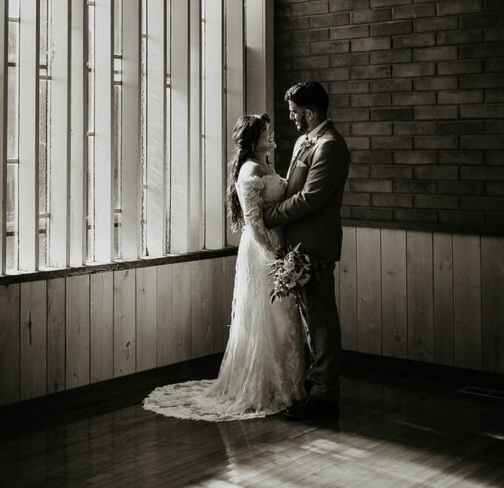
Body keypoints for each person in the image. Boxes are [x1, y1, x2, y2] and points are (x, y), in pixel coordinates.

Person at [143, 113, 305, 421]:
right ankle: (266, 387)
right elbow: (254, 221)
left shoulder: (265, 165)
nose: (270, 135)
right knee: (269, 316)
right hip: (262, 250)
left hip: (275, 244)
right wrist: (275, 254)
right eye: (265, 131)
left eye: (269, 130)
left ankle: (283, 384)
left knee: (281, 316)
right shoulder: (250, 169)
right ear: (251, 139)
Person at [263, 80, 350, 420]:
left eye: (295, 113)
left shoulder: (330, 146)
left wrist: (271, 216)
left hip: (315, 244)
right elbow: (289, 188)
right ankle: (314, 388)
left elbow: (310, 197)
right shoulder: (304, 141)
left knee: (321, 321)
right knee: (309, 321)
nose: (292, 119)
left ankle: (326, 396)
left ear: (310, 112)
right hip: (295, 244)